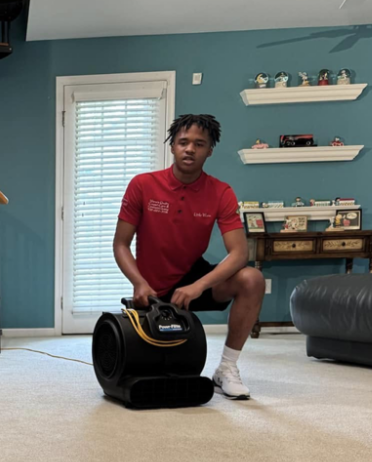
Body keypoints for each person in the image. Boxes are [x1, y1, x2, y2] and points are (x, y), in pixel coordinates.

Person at [112, 114, 264, 400]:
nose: (190, 149)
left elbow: (240, 253)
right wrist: (138, 283)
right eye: (183, 142)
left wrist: (198, 286)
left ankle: (227, 369)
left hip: (192, 278)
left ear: (210, 150)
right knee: (149, 370)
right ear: (172, 146)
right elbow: (121, 244)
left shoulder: (221, 192)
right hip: (150, 286)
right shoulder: (142, 185)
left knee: (252, 279)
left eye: (199, 143)